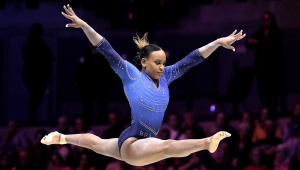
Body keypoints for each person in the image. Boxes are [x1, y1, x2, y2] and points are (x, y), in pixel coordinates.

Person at [41, 4, 246, 166]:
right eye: (157, 63)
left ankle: (61, 138)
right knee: (167, 147)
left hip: (137, 140)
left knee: (97, 143)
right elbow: (106, 49)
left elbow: (193, 58)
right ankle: (206, 143)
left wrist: (218, 42)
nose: (162, 67)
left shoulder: (166, 75)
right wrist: (85, 26)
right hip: (133, 145)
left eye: (164, 62)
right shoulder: (132, 75)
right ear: (143, 62)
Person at [245, 11, 283, 115]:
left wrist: (258, 42)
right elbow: (249, 42)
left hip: (273, 69)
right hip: (261, 69)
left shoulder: (277, 32)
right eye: (264, 19)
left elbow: (272, 46)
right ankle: (265, 112)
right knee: (262, 91)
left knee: (272, 92)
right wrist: (251, 41)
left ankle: (272, 113)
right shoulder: (260, 32)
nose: (266, 21)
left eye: (268, 19)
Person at [22, 23, 54, 123]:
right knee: (36, 96)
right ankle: (31, 118)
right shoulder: (40, 44)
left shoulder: (28, 43)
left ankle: (32, 118)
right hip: (36, 75)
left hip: (31, 74)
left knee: (35, 96)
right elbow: (49, 58)